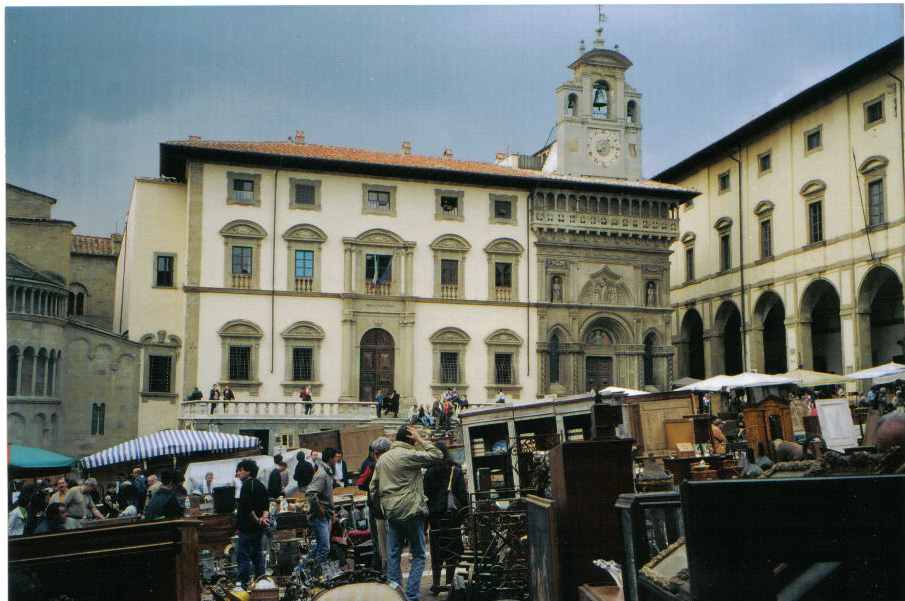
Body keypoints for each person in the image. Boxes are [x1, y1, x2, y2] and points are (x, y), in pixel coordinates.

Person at [370, 425, 442, 601]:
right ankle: (411, 595)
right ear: (410, 438)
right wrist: (421, 440)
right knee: (418, 554)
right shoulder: (408, 455)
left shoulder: (383, 459)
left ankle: (395, 594)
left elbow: (373, 488)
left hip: (391, 511)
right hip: (411, 509)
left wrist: (383, 507)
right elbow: (437, 455)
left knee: (393, 553)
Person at [423, 442, 468, 595]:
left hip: (435, 517)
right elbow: (462, 495)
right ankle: (449, 583)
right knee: (451, 552)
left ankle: (436, 584)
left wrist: (426, 522)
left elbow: (425, 496)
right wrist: (465, 515)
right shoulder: (456, 470)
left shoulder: (429, 472)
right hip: (452, 517)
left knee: (436, 551)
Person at [235, 458, 270, 588]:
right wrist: (264, 519)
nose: (238, 473)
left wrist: (257, 520)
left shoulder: (246, 486)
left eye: (240, 470)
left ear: (248, 472)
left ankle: (244, 586)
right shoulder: (260, 485)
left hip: (247, 528)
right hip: (258, 530)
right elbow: (266, 504)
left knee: (244, 559)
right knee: (258, 557)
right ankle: (261, 585)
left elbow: (247, 507)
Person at [359, 437, 392, 573]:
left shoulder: (373, 465)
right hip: (389, 508)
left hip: (379, 509)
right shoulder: (390, 464)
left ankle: (385, 571)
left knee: (381, 542)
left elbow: (361, 483)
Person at [305, 447, 339, 575]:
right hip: (318, 517)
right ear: (330, 458)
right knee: (324, 548)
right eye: (335, 458)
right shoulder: (322, 474)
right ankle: (318, 575)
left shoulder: (327, 473)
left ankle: (299, 572)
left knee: (318, 547)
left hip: (323, 516)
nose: (337, 460)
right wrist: (320, 509)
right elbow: (310, 493)